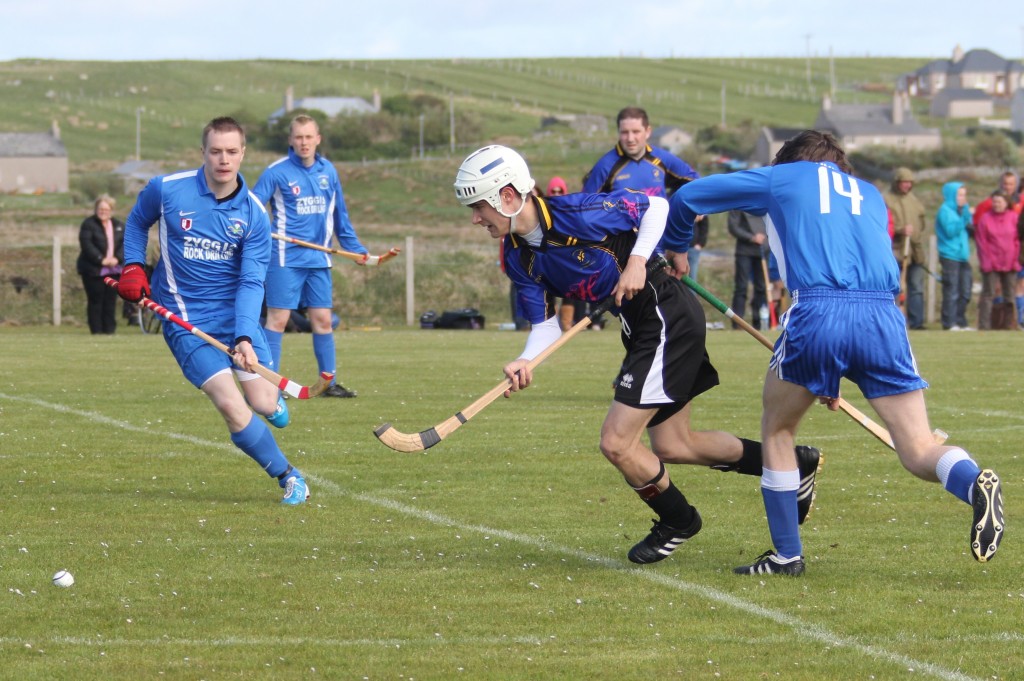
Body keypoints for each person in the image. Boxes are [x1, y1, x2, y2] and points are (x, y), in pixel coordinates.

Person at [453, 144, 820, 566]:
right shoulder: (518, 256)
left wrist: (637, 262)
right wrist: (526, 359)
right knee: (675, 445)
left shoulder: (579, 211)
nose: (476, 218)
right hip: (642, 326)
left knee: (616, 442)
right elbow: (544, 326)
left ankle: (678, 520)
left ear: (508, 196)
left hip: (665, 313)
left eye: (479, 206)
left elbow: (657, 208)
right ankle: (792, 464)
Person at [662, 130, 1004, 575]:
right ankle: (973, 480)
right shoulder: (870, 193)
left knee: (779, 431)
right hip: (884, 317)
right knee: (918, 448)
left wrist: (678, 246)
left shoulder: (783, 178)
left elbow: (689, 195)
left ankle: (787, 556)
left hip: (819, 310)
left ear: (790, 161)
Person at [116, 116, 309, 505]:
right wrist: (133, 265)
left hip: (235, 316)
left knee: (264, 404)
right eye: (216, 151)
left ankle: (271, 403)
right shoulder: (167, 190)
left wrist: (242, 337)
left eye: (232, 152)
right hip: (184, 322)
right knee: (231, 406)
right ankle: (289, 476)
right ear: (202, 152)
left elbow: (252, 282)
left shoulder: (255, 214)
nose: (224, 159)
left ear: (243, 154)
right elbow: (137, 221)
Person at [253, 114, 375, 399]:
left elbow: (340, 217)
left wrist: (355, 248)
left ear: (318, 139)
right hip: (284, 258)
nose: (304, 142)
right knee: (278, 320)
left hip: (319, 260)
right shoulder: (276, 172)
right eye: (298, 137)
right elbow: (253, 209)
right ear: (290, 140)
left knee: (322, 320)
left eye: (309, 137)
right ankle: (270, 384)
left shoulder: (328, 172)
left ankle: (328, 383)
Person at [884, 167, 929, 329]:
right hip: (896, 250)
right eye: (904, 182)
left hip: (915, 250)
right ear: (897, 183)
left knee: (917, 287)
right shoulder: (887, 199)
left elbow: (922, 222)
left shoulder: (914, 200)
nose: (907, 185)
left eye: (909, 182)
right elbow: (883, 224)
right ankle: (894, 321)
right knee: (896, 287)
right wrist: (900, 230)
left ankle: (918, 322)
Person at [76, 194, 125, 335]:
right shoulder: (88, 224)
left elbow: (125, 244)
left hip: (114, 270)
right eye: (101, 208)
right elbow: (86, 244)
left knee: (110, 301)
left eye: (106, 209)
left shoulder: (119, 226)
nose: (103, 211)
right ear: (96, 209)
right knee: (96, 300)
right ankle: (96, 331)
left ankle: (110, 331)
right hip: (93, 270)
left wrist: (117, 258)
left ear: (111, 210)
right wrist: (100, 259)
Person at [975, 191, 1021, 330]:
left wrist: (1015, 260)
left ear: (1006, 203)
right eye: (994, 202)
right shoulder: (985, 218)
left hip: (1010, 262)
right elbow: (981, 242)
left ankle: (1010, 325)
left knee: (1010, 296)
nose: (997, 205)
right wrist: (987, 262)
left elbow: (1017, 241)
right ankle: (984, 325)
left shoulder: (1014, 217)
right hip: (991, 263)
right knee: (988, 294)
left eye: (1000, 202)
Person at [934, 182, 975, 331]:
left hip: (963, 256)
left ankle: (961, 321)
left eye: (964, 194)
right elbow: (951, 231)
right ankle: (949, 323)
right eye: (959, 194)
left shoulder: (962, 211)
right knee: (952, 290)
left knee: (965, 290)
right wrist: (965, 218)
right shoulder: (944, 211)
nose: (963, 198)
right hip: (949, 255)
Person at [727, 209, 769, 330]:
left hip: (763, 251)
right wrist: (751, 237)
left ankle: (759, 322)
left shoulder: (763, 202)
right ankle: (738, 323)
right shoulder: (737, 204)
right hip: (744, 251)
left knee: (761, 288)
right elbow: (733, 227)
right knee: (741, 288)